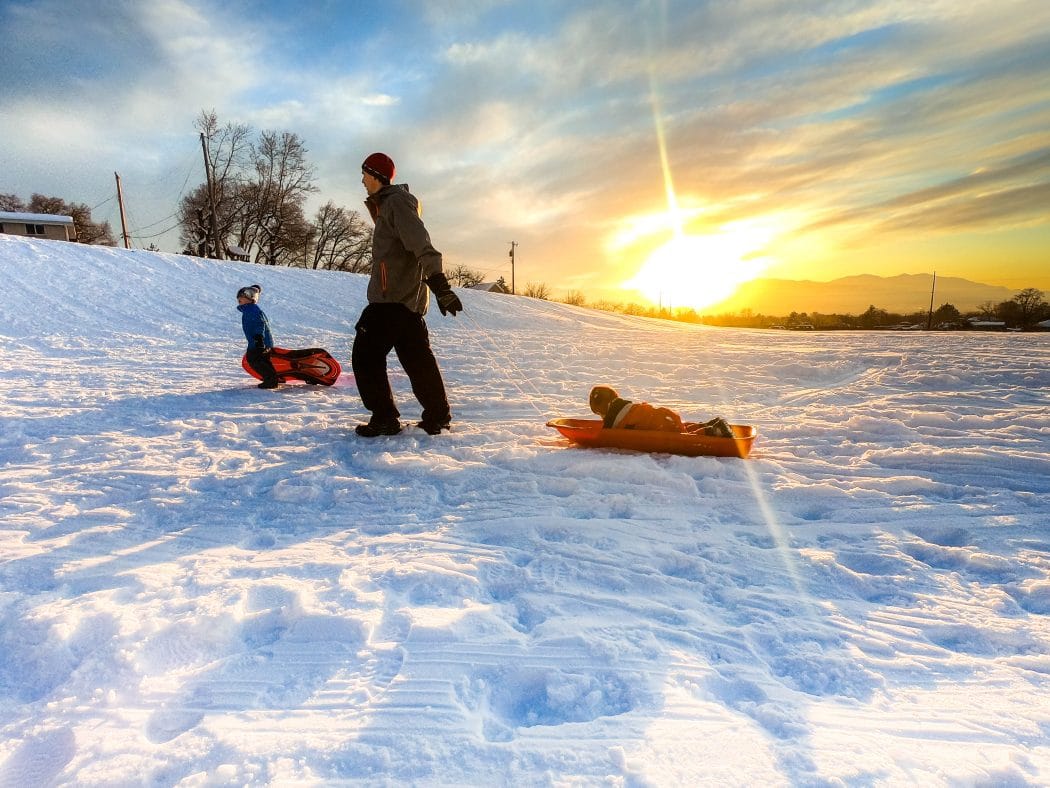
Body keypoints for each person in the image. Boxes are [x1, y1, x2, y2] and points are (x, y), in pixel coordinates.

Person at [352, 152, 463, 437]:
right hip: (406, 302)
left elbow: (421, 244)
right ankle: (438, 416)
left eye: (365, 174)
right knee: (417, 359)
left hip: (392, 300)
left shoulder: (396, 203)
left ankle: (385, 417)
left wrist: (440, 283)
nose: (362, 180)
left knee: (365, 355)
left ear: (376, 175)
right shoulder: (388, 206)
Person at [588, 385, 734, 438]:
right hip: (665, 416)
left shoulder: (615, 420)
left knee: (682, 436)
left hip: (663, 423)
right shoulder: (627, 407)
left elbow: (605, 435)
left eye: (600, 413)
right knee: (681, 427)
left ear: (606, 407)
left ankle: (712, 431)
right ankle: (712, 423)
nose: (601, 417)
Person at [237, 284, 279, 390]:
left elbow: (259, 324)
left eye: (241, 298)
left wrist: (259, 337)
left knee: (254, 359)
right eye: (238, 298)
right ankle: (271, 378)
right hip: (260, 341)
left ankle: (271, 380)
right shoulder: (250, 309)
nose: (239, 299)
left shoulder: (252, 310)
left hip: (259, 341)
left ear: (250, 299)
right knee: (262, 360)